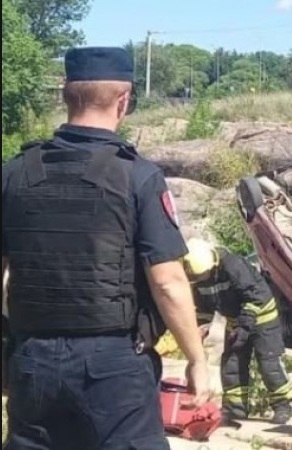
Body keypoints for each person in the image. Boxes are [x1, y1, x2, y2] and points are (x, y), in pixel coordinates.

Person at [2, 46, 210, 450]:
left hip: (32, 358)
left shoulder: (14, 173)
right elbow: (167, 282)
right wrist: (197, 360)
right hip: (113, 367)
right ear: (124, 100)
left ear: (66, 94)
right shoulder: (137, 176)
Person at [182, 238, 292, 427]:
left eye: (203, 275)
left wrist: (244, 327)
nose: (201, 279)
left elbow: (255, 297)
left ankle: (283, 406)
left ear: (213, 264)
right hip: (236, 321)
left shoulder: (234, 265)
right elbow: (204, 310)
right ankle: (235, 410)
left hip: (262, 316)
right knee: (231, 365)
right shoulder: (200, 276)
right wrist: (200, 330)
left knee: (269, 364)